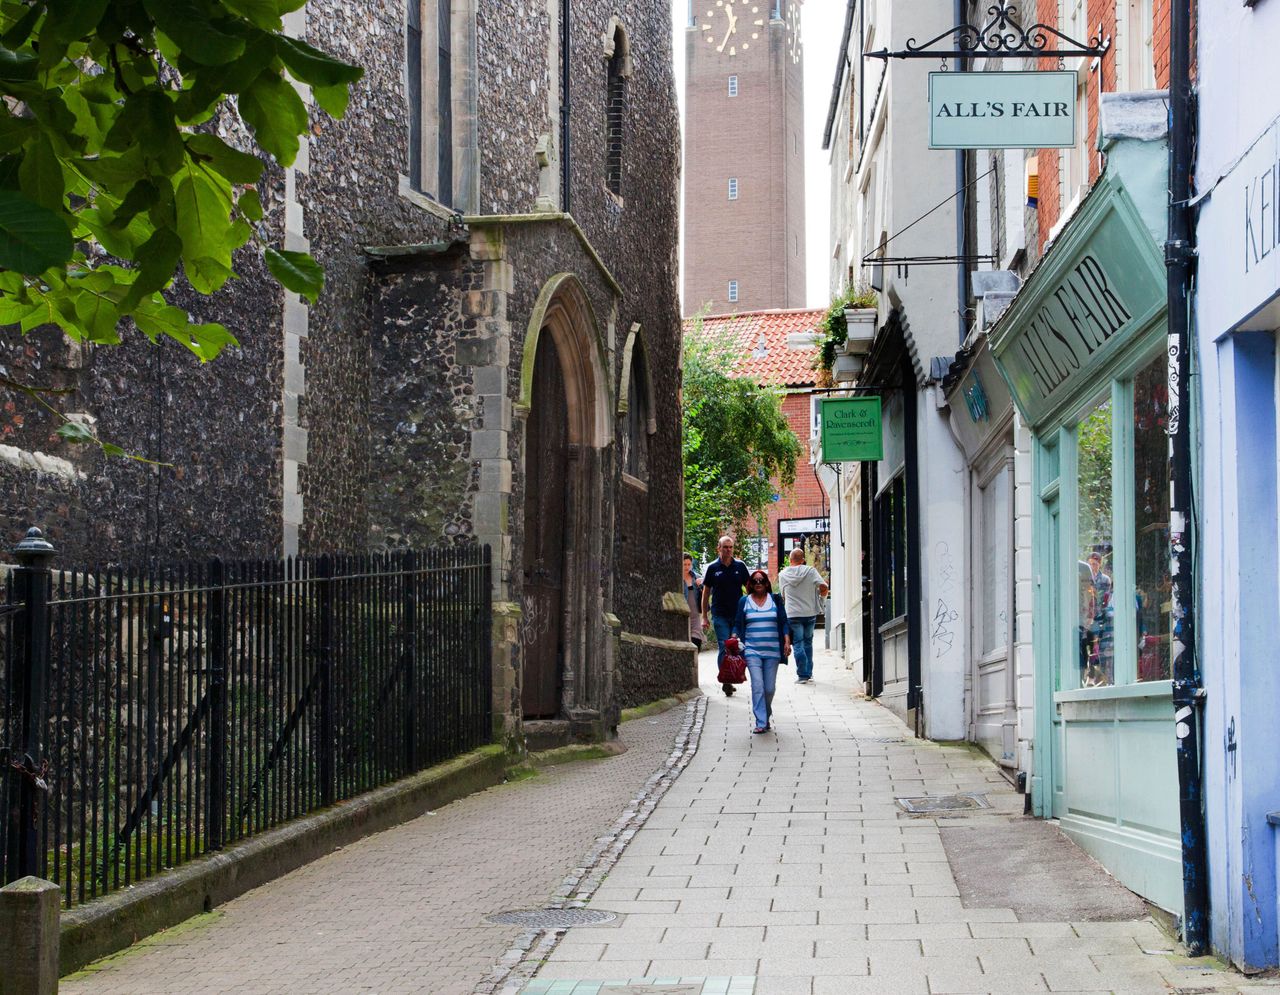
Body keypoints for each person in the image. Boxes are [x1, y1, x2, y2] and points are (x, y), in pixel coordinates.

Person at [733, 569, 791, 733]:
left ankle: (766, 714)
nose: (758, 583)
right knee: (758, 686)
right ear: (750, 584)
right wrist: (734, 636)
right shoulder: (744, 601)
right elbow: (738, 623)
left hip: (772, 652)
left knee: (769, 689)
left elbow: (784, 622)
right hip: (752, 651)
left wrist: (787, 641)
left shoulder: (775, 600)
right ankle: (761, 722)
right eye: (755, 581)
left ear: (767, 583)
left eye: (761, 580)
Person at [701, 535, 751, 697]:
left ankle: (734, 674)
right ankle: (726, 680)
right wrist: (704, 616)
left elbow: (749, 588)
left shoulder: (740, 566)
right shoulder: (713, 568)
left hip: (737, 615)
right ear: (719, 548)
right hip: (720, 614)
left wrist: (752, 609)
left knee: (736, 647)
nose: (728, 550)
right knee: (724, 646)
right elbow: (706, 592)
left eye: (730, 547)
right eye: (725, 547)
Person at [777, 547, 828, 684]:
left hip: (792, 614)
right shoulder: (810, 571)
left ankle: (803, 675)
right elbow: (824, 587)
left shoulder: (782, 575)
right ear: (803, 560)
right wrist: (821, 600)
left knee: (798, 643)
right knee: (808, 642)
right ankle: (809, 672)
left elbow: (783, 596)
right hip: (810, 613)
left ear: (790, 560)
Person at [683, 554, 705, 652]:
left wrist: (703, 584)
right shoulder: (675, 579)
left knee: (696, 644)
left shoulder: (696, 577)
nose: (687, 567)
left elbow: (710, 590)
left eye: (689, 564)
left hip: (695, 616)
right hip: (683, 617)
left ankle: (693, 666)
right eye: (684, 564)